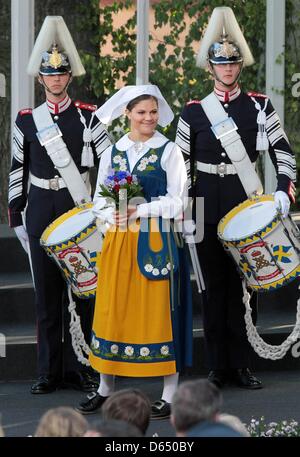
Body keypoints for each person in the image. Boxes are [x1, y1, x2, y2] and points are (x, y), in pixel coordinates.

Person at [176, 7, 297, 389]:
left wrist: (282, 190)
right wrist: (183, 209)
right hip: (205, 205)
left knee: (246, 288)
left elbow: (283, 152)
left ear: (239, 66)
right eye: (220, 65)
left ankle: (242, 364)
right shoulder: (192, 112)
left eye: (232, 64)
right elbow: (178, 166)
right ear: (210, 68)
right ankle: (217, 366)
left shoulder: (259, 106)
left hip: (246, 207)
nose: (227, 70)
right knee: (212, 288)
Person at [76, 84, 193, 420]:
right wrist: (107, 214)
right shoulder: (113, 152)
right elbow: (98, 196)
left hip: (157, 241)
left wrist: (138, 210)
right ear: (127, 114)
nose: (148, 118)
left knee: (161, 312)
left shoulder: (169, 151)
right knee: (114, 309)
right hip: (119, 242)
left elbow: (179, 201)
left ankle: (169, 392)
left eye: (153, 112)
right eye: (141, 112)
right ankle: (105, 387)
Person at [8, 17, 111, 394]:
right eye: (49, 75)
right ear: (41, 79)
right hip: (40, 208)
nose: (55, 80)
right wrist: (16, 211)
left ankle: (81, 366)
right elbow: (17, 168)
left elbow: (109, 166)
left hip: (78, 207)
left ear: (70, 77)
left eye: (61, 74)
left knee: (84, 292)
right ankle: (48, 371)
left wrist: (104, 207)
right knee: (46, 296)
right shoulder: (26, 120)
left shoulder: (89, 115)